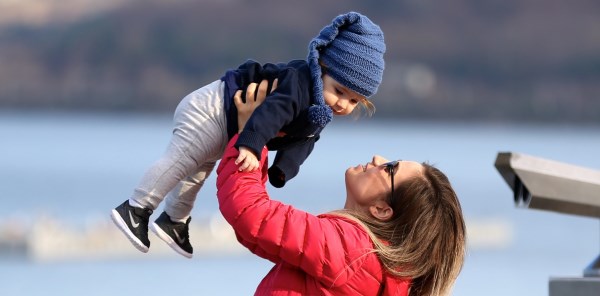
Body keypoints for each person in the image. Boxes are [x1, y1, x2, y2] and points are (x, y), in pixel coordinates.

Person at [110, 11, 387, 258]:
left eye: (353, 101)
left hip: (229, 126)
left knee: (197, 173)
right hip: (213, 109)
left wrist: (282, 169)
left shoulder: (320, 109)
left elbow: (305, 140)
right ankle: (136, 208)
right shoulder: (299, 83)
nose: (342, 104)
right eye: (339, 92)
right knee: (182, 160)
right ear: (322, 69)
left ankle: (174, 221)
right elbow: (271, 111)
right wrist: (252, 145)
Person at [214, 89, 467, 295]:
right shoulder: (375, 269)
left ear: (382, 210)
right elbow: (260, 234)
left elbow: (249, 213)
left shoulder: (352, 251)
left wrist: (251, 135)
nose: (378, 158)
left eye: (389, 169)